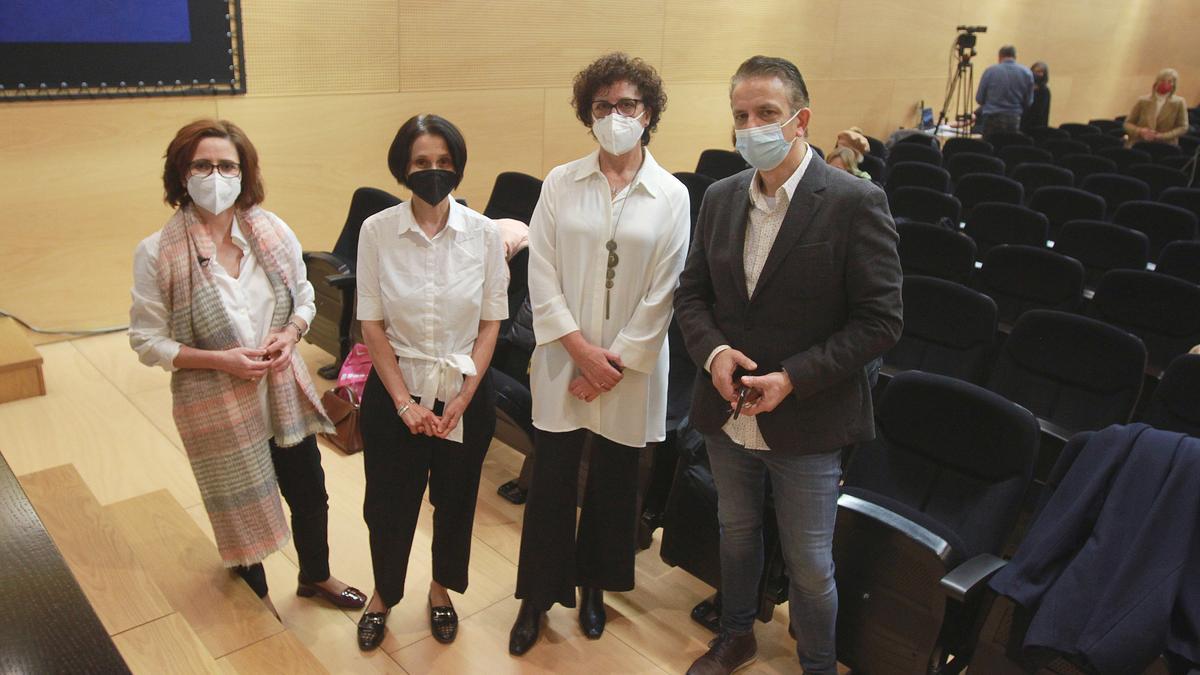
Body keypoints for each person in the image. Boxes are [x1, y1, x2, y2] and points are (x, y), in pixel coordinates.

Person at [675, 55, 903, 675]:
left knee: (809, 562)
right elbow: (691, 294)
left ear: (800, 120)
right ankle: (738, 633)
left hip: (807, 416)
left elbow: (882, 321)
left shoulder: (856, 202)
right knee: (736, 532)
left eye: (766, 114)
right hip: (727, 408)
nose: (751, 127)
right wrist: (715, 354)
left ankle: (818, 664)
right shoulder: (721, 197)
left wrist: (793, 378)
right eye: (741, 115)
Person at [130, 119, 365, 616]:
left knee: (310, 493)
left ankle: (315, 576)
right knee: (238, 505)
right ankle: (252, 597)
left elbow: (305, 296)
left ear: (244, 172)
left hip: (281, 392)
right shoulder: (156, 253)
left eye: (227, 165)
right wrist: (220, 361)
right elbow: (147, 341)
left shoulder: (272, 231)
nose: (215, 175)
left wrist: (292, 332)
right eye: (202, 165)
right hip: (214, 403)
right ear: (181, 173)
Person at [508, 52, 690, 656]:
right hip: (565, 359)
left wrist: (613, 364)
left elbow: (666, 291)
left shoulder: (672, 195)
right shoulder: (562, 181)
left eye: (628, 105)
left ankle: (593, 588)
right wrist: (580, 352)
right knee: (553, 480)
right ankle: (537, 595)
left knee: (614, 485)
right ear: (589, 115)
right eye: (603, 106)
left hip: (628, 372)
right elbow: (542, 270)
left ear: (648, 113)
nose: (616, 115)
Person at [354, 114, 508, 650]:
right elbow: (371, 324)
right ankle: (383, 594)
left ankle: (441, 590)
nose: (433, 172)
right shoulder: (377, 231)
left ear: (458, 167)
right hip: (395, 387)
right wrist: (402, 403)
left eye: (444, 163)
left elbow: (492, 323)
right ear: (403, 167)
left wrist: (465, 396)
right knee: (388, 502)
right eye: (422, 162)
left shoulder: (485, 234)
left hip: (464, 388)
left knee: (457, 497)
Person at [975, 45, 1034, 136]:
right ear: (1015, 56)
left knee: (991, 145)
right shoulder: (1026, 73)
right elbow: (1028, 102)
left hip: (991, 118)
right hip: (1013, 118)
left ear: (1000, 56)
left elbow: (979, 98)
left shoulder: (990, 71)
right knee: (1009, 146)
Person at [1123, 68, 1190, 147]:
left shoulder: (1179, 102)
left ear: (1174, 84)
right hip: (1139, 142)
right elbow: (1127, 124)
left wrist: (1162, 136)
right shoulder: (1143, 101)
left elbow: (1183, 127)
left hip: (1165, 145)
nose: (1165, 84)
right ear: (1157, 82)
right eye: (1163, 81)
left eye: (1169, 82)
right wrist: (1140, 131)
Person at [1021, 61, 1051, 133]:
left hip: (1037, 126)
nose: (1038, 74)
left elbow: (1040, 111)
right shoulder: (1026, 87)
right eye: (1036, 71)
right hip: (1023, 123)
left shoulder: (1044, 91)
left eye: (1040, 72)